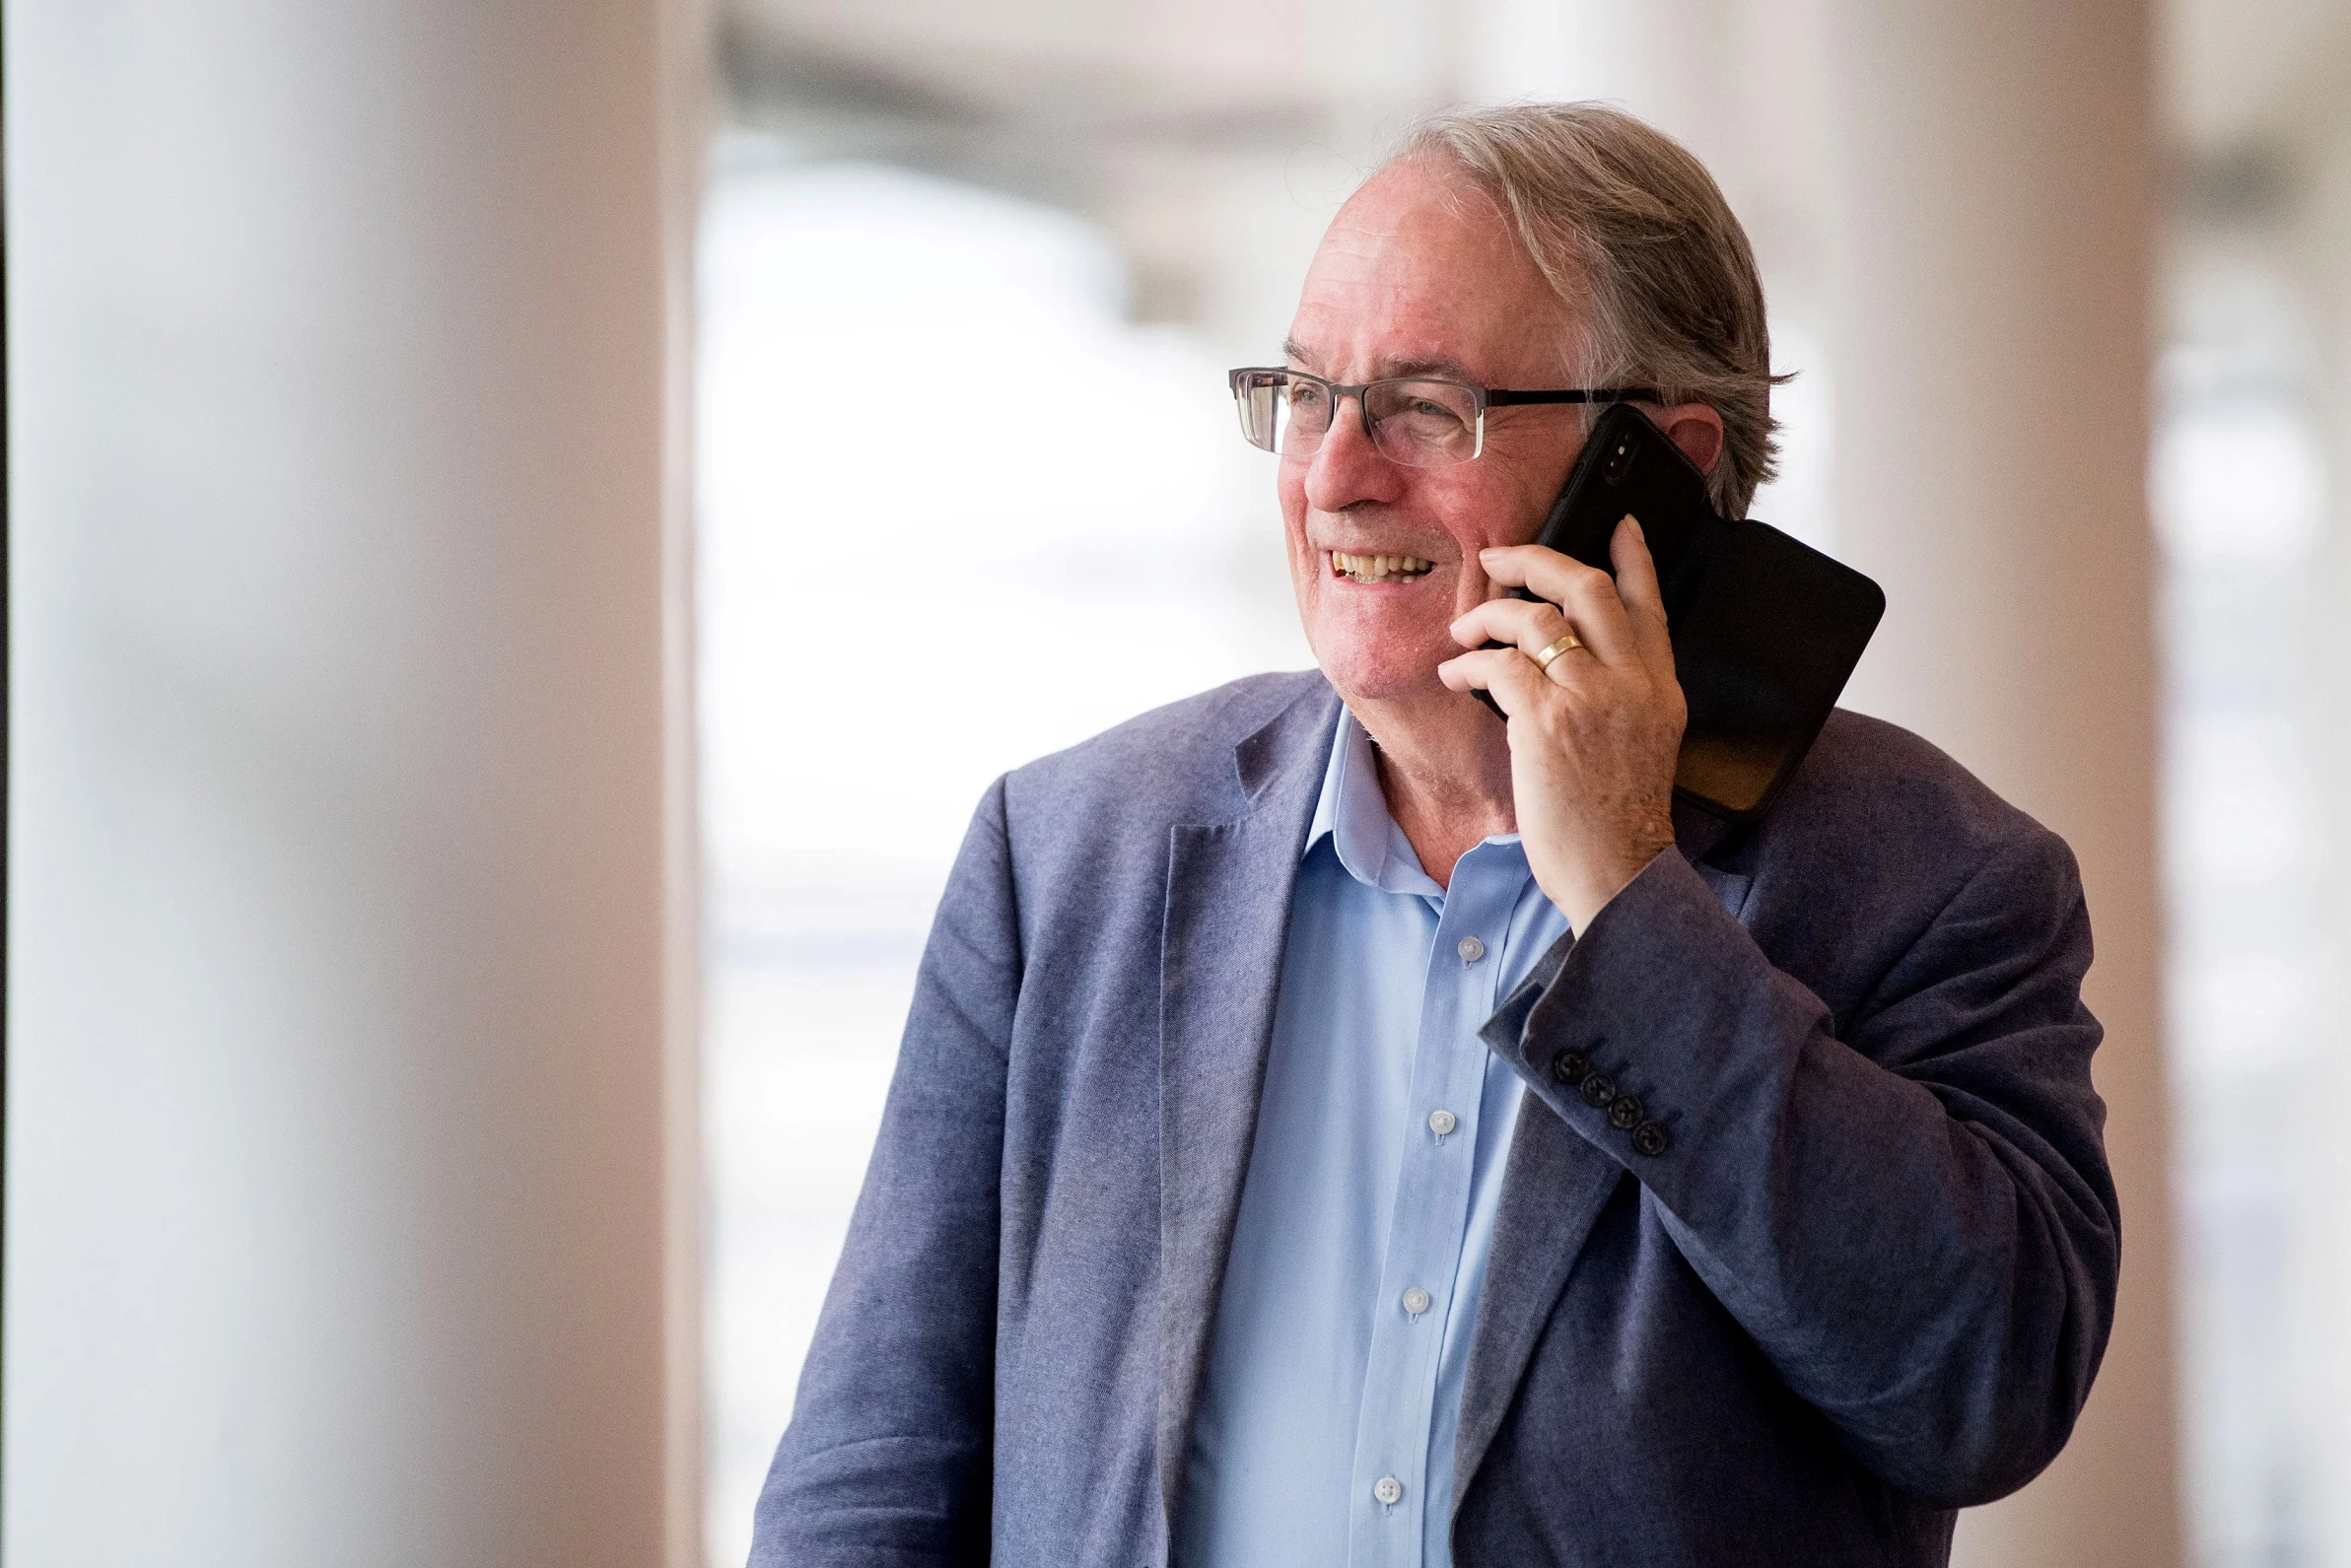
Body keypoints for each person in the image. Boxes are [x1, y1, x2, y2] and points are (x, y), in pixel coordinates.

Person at [749, 102, 2117, 1568]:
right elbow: (867, 1488)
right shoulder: (1065, 856)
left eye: (1424, 404)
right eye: (1304, 390)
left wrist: (1634, 905)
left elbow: (1983, 1388)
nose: (1334, 473)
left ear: (1650, 469)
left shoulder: (1937, 879)